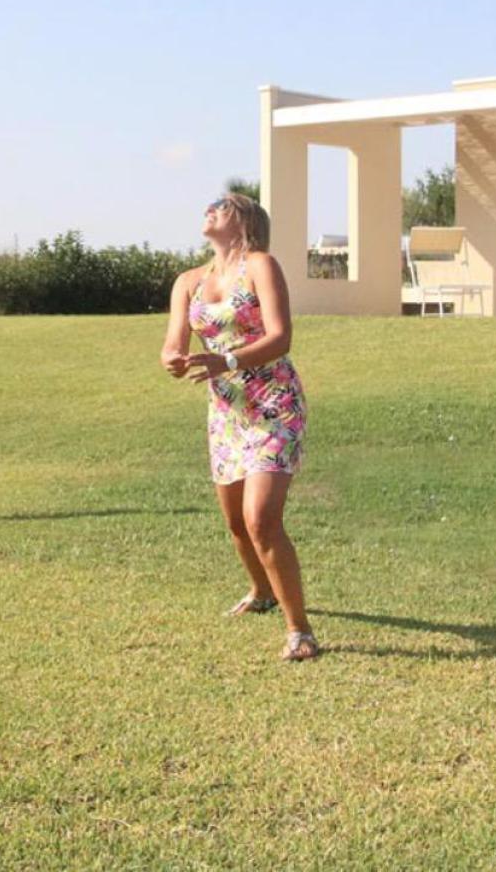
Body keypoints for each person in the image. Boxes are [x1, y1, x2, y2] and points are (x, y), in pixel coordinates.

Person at [161, 192, 316, 661]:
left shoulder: (261, 266)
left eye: (222, 205)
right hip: (227, 413)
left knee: (260, 519)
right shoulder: (188, 282)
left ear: (244, 220)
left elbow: (281, 337)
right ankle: (262, 591)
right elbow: (172, 342)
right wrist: (173, 359)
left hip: (274, 404)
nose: (209, 208)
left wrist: (226, 360)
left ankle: (300, 631)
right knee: (235, 523)